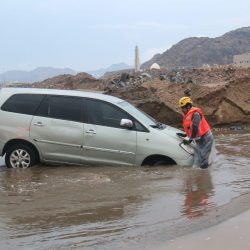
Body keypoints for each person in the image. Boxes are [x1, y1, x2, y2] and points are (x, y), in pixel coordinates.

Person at [177, 96, 214, 169]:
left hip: (206, 139)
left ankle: (205, 177)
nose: (182, 110)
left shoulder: (195, 114)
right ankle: (202, 174)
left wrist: (190, 139)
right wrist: (186, 134)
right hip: (200, 139)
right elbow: (191, 128)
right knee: (199, 158)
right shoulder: (189, 114)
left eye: (183, 108)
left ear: (188, 106)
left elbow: (195, 127)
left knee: (203, 160)